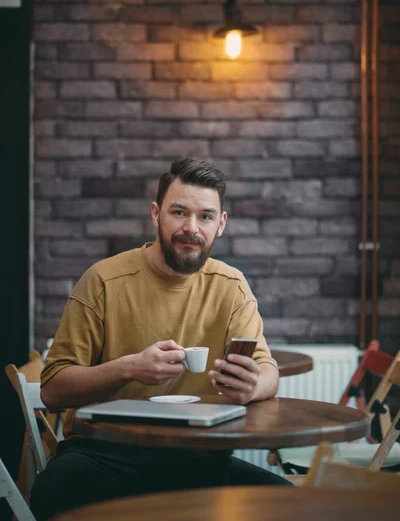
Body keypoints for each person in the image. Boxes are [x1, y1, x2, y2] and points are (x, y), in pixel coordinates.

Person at [30, 158, 290, 520]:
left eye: (205, 216)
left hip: (197, 459)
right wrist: (128, 368)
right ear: (156, 214)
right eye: (179, 212)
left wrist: (254, 385)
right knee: (53, 491)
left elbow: (269, 372)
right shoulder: (103, 280)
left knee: (286, 503)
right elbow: (53, 389)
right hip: (102, 452)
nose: (191, 228)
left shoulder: (231, 286)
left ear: (222, 223)